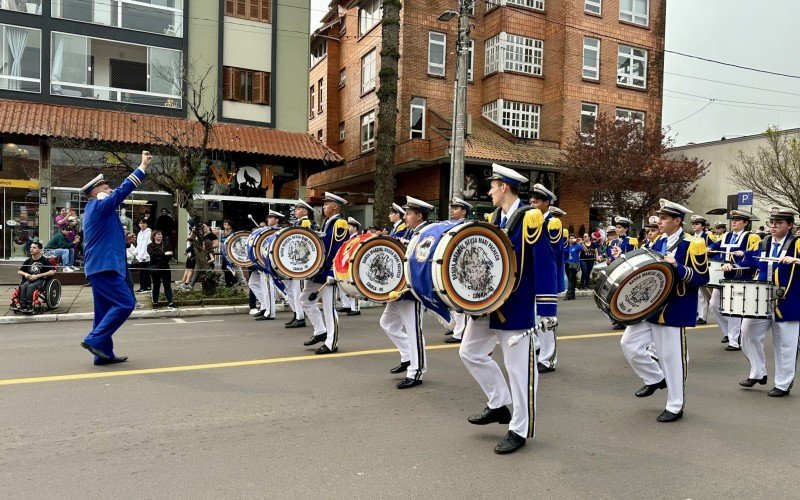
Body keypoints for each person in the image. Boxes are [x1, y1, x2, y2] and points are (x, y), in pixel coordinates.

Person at [460, 163, 554, 455]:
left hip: (517, 305)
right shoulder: (494, 218)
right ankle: (499, 403)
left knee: (519, 370)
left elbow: (544, 262)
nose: (488, 190)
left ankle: (520, 428)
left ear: (504, 187)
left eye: (492, 186)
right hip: (489, 305)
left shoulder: (530, 218)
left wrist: (547, 308)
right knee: (469, 352)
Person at [619, 199, 708, 423]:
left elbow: (701, 277)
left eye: (665, 218)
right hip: (651, 307)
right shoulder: (657, 243)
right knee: (628, 344)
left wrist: (677, 267)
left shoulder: (693, 244)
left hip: (674, 308)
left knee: (671, 357)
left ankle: (675, 405)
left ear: (677, 221)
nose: (659, 221)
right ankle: (655, 378)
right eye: (660, 217)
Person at [79, 151, 151, 365]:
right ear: (94, 193)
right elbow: (122, 191)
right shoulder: (98, 206)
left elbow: (104, 238)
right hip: (106, 267)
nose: (109, 189)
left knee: (103, 313)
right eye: (104, 187)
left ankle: (103, 355)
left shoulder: (98, 210)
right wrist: (142, 167)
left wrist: (124, 239)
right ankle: (93, 339)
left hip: (100, 267)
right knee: (126, 303)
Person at [738, 207, 800, 396]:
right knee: (747, 332)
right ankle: (758, 372)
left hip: (788, 300)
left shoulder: (797, 243)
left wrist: (797, 260)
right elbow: (752, 261)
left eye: (778, 223)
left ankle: (783, 383)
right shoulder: (765, 241)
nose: (773, 226)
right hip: (762, 297)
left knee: (785, 344)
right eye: (771, 223)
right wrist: (733, 266)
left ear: (789, 225)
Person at [379, 196, 434, 388]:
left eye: (409, 213)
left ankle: (416, 370)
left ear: (419, 215)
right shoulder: (413, 232)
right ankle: (407, 356)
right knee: (387, 323)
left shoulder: (427, 233)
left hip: (412, 291)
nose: (405, 217)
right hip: (399, 290)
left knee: (413, 331)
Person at [300, 192, 350, 354]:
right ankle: (320, 331)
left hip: (328, 272)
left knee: (329, 308)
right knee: (305, 300)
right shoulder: (327, 223)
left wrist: (332, 272)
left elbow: (338, 250)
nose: (324, 206)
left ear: (335, 206)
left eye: (327, 204)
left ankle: (331, 342)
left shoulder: (340, 223)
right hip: (318, 271)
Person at [707, 210, 761, 350]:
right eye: (733, 220)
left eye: (738, 220)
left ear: (746, 223)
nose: (734, 222)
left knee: (734, 308)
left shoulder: (751, 237)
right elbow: (716, 246)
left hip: (740, 275)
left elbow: (755, 255)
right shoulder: (727, 236)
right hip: (724, 275)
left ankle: (734, 340)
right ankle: (728, 332)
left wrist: (745, 253)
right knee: (713, 304)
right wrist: (709, 248)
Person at [528, 184, 561, 373]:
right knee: (531, 317)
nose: (533, 203)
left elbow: (554, 254)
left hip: (546, 276)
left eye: (537, 200)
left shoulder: (552, 223)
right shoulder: (530, 219)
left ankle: (548, 359)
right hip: (531, 276)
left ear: (547, 203)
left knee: (546, 318)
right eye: (532, 200)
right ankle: (538, 348)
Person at [443, 197, 473, 344]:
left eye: (456, 208)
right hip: (451, 266)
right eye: (452, 208)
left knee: (460, 302)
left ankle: (460, 333)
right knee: (451, 301)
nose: (452, 211)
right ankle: (457, 328)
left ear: (463, 211)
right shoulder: (450, 225)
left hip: (462, 267)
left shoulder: (466, 226)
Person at [284, 200, 317, 329]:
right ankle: (297, 314)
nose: (296, 211)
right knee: (294, 289)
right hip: (296, 259)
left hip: (302, 260)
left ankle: (301, 317)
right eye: (296, 209)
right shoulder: (298, 222)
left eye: (298, 209)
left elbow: (305, 241)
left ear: (305, 211)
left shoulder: (305, 222)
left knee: (298, 289)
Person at [691, 215, 717, 325]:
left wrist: (708, 250)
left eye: (697, 224)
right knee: (694, 292)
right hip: (692, 266)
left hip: (703, 266)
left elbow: (714, 248)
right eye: (693, 224)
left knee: (702, 293)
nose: (694, 226)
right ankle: (696, 313)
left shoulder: (707, 236)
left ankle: (702, 316)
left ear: (702, 226)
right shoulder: (691, 237)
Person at [16, 242, 55, 314]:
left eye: (34, 248)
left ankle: (29, 305)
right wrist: (26, 274)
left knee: (31, 286)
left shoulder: (45, 260)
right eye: (31, 247)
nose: (31, 249)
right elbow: (19, 271)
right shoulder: (28, 260)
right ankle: (23, 305)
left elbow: (51, 272)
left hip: (40, 280)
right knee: (24, 286)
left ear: (39, 249)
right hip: (29, 278)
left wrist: (37, 276)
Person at [337, 216, 362, 317]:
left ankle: (355, 308)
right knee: (344, 285)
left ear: (355, 228)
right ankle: (346, 305)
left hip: (353, 264)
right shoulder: (348, 238)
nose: (347, 228)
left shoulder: (357, 238)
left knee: (353, 287)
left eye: (350, 226)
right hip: (346, 265)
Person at [147, 230, 176, 310]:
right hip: (155, 267)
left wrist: (163, 255)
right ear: (154, 236)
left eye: (161, 234)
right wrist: (163, 254)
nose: (160, 235)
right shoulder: (150, 245)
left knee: (167, 285)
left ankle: (170, 303)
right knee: (156, 285)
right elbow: (152, 255)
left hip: (165, 267)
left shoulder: (166, 244)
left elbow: (170, 254)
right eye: (158, 234)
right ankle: (155, 303)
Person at [135, 218, 152, 293]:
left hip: (146, 255)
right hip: (140, 255)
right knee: (142, 271)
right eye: (141, 223)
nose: (142, 225)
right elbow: (139, 245)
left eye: (144, 223)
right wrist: (136, 253)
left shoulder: (149, 232)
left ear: (146, 224)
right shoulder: (139, 233)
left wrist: (146, 255)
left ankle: (146, 287)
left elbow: (148, 244)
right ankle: (144, 287)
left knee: (145, 272)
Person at [565, 235, 582, 300]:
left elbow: (585, 250)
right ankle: (572, 295)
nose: (572, 239)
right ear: (569, 239)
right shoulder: (566, 246)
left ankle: (568, 295)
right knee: (572, 280)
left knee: (571, 280)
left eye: (573, 238)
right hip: (567, 263)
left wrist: (581, 242)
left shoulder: (577, 245)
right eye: (571, 238)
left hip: (574, 264)